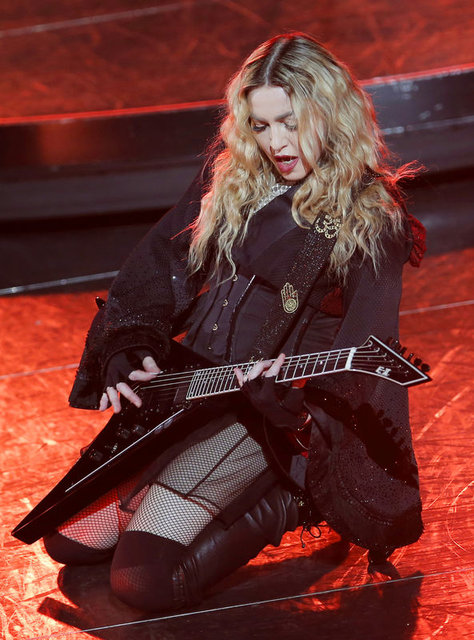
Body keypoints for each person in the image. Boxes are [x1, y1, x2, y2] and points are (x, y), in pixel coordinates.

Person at [43, 32, 426, 611]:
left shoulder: (368, 217)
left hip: (268, 414)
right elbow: (158, 266)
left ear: (332, 114)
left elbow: (365, 353)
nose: (277, 143)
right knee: (67, 540)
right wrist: (130, 343)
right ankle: (179, 493)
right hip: (195, 389)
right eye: (261, 125)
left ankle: (294, 498)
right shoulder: (233, 178)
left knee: (142, 582)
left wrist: (296, 408)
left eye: (292, 123)